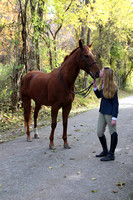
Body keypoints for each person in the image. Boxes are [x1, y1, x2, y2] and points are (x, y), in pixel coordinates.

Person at [93, 67, 119, 161]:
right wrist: (95, 87)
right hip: (102, 111)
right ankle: (105, 150)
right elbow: (100, 96)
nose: (100, 72)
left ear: (105, 74)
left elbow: (115, 104)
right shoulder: (103, 83)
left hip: (110, 113)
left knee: (113, 132)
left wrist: (114, 118)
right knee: (99, 132)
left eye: (101, 71)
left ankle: (111, 154)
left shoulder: (113, 87)